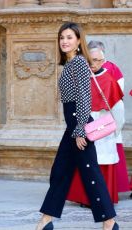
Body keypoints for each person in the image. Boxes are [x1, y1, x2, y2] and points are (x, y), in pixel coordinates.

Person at [36, 22, 119, 230]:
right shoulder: (71, 63)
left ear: (79, 41)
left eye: (69, 37)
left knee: (90, 173)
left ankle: (109, 221)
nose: (64, 41)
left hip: (79, 125)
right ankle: (46, 220)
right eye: (62, 37)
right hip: (72, 126)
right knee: (60, 172)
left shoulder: (80, 62)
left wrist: (81, 128)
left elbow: (84, 97)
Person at [67, 47, 124, 206]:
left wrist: (114, 131)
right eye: (90, 60)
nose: (93, 64)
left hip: (103, 128)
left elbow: (118, 109)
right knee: (85, 162)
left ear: (103, 61)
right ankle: (86, 199)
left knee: (101, 162)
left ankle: (102, 198)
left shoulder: (109, 80)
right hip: (83, 125)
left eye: (97, 60)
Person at [88, 40, 130, 194]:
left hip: (101, 121)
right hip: (106, 122)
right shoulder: (108, 71)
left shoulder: (108, 72)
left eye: (98, 59)